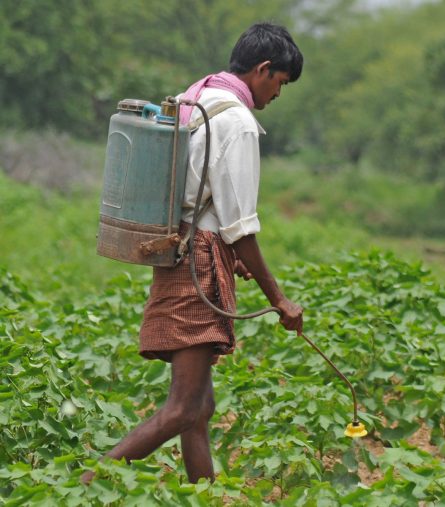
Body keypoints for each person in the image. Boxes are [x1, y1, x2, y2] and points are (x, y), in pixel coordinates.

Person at [82, 22, 304, 485]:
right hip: (198, 264)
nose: (278, 94)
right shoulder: (238, 122)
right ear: (263, 69)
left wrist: (233, 253)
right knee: (184, 408)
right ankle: (82, 486)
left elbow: (199, 198)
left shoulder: (200, 98)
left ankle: (202, 495)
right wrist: (280, 299)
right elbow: (240, 226)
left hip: (183, 248)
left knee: (200, 408)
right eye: (280, 82)